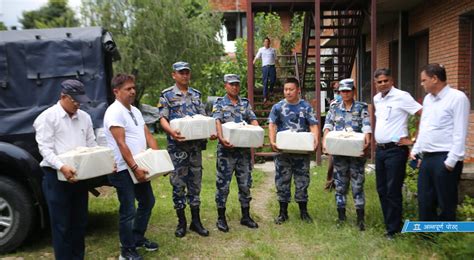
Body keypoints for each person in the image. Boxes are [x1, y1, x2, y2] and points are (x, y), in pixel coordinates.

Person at [33, 79, 95, 260]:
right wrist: (62, 166)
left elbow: (91, 144)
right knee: (62, 225)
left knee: (80, 222)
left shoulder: (85, 117)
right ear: (63, 97)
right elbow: (45, 149)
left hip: (80, 176)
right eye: (75, 100)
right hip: (56, 177)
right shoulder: (47, 117)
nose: (78, 104)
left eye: (80, 100)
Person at [104, 73, 158, 260]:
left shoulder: (134, 111)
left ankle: (137, 237)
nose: (133, 91)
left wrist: (158, 160)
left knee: (148, 201)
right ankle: (126, 250)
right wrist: (135, 168)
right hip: (123, 169)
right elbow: (122, 144)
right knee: (128, 210)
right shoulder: (114, 112)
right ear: (116, 91)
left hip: (139, 166)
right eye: (128, 89)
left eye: (134, 87)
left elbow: (147, 135)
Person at [158, 61, 215, 237]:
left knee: (195, 183)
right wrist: (172, 133)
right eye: (181, 72)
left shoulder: (196, 95)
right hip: (177, 148)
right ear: (174, 75)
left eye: (187, 72)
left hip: (195, 148)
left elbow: (204, 117)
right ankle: (181, 222)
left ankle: (195, 222)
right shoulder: (166, 95)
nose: (184, 75)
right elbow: (162, 119)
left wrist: (210, 131)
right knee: (178, 183)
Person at [410, 63, 470, 221]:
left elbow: (460, 131)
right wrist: (417, 150)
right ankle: (428, 236)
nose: (421, 84)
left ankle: (446, 238)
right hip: (428, 158)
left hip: (445, 157)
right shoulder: (428, 100)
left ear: (435, 79)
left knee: (446, 200)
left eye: (424, 80)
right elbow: (425, 126)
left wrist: (450, 162)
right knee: (425, 199)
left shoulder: (457, 98)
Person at [373, 68, 422, 239]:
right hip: (380, 150)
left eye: (385, 80)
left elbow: (423, 114)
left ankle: (392, 230)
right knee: (381, 189)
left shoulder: (402, 96)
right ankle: (391, 223)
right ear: (375, 84)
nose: (383, 84)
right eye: (379, 82)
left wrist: (414, 140)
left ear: (392, 80)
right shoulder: (377, 99)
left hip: (396, 150)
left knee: (392, 189)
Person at [212, 74, 259, 232]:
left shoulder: (244, 103)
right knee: (223, 185)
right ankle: (221, 218)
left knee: (245, 184)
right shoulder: (219, 103)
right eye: (231, 84)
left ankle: (245, 216)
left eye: (237, 84)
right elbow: (217, 121)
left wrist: (256, 131)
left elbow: (252, 120)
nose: (235, 87)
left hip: (243, 153)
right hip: (226, 152)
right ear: (225, 85)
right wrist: (220, 136)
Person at [268, 77, 319, 224]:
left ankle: (304, 212)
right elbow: (272, 124)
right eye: (286, 89)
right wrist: (272, 141)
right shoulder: (278, 107)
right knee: (282, 181)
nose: (288, 92)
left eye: (291, 89)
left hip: (301, 152)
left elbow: (313, 125)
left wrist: (315, 141)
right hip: (283, 152)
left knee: (302, 181)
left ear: (298, 90)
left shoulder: (306, 107)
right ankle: (282, 213)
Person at [322, 78, 371, 231]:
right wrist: (325, 141)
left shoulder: (361, 107)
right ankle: (341, 216)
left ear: (353, 91)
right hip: (339, 152)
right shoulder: (334, 107)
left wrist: (367, 140)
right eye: (342, 91)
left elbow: (366, 127)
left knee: (357, 185)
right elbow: (328, 125)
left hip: (356, 153)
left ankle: (360, 219)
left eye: (348, 91)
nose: (345, 93)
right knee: (340, 185)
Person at [253, 37, 277, 103]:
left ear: (269, 42)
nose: (266, 43)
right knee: (265, 82)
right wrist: (253, 62)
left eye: (268, 41)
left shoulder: (273, 50)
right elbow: (257, 57)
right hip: (265, 67)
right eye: (265, 41)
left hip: (272, 66)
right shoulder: (261, 49)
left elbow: (276, 59)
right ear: (263, 43)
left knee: (273, 80)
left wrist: (279, 66)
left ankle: (271, 90)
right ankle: (265, 96)